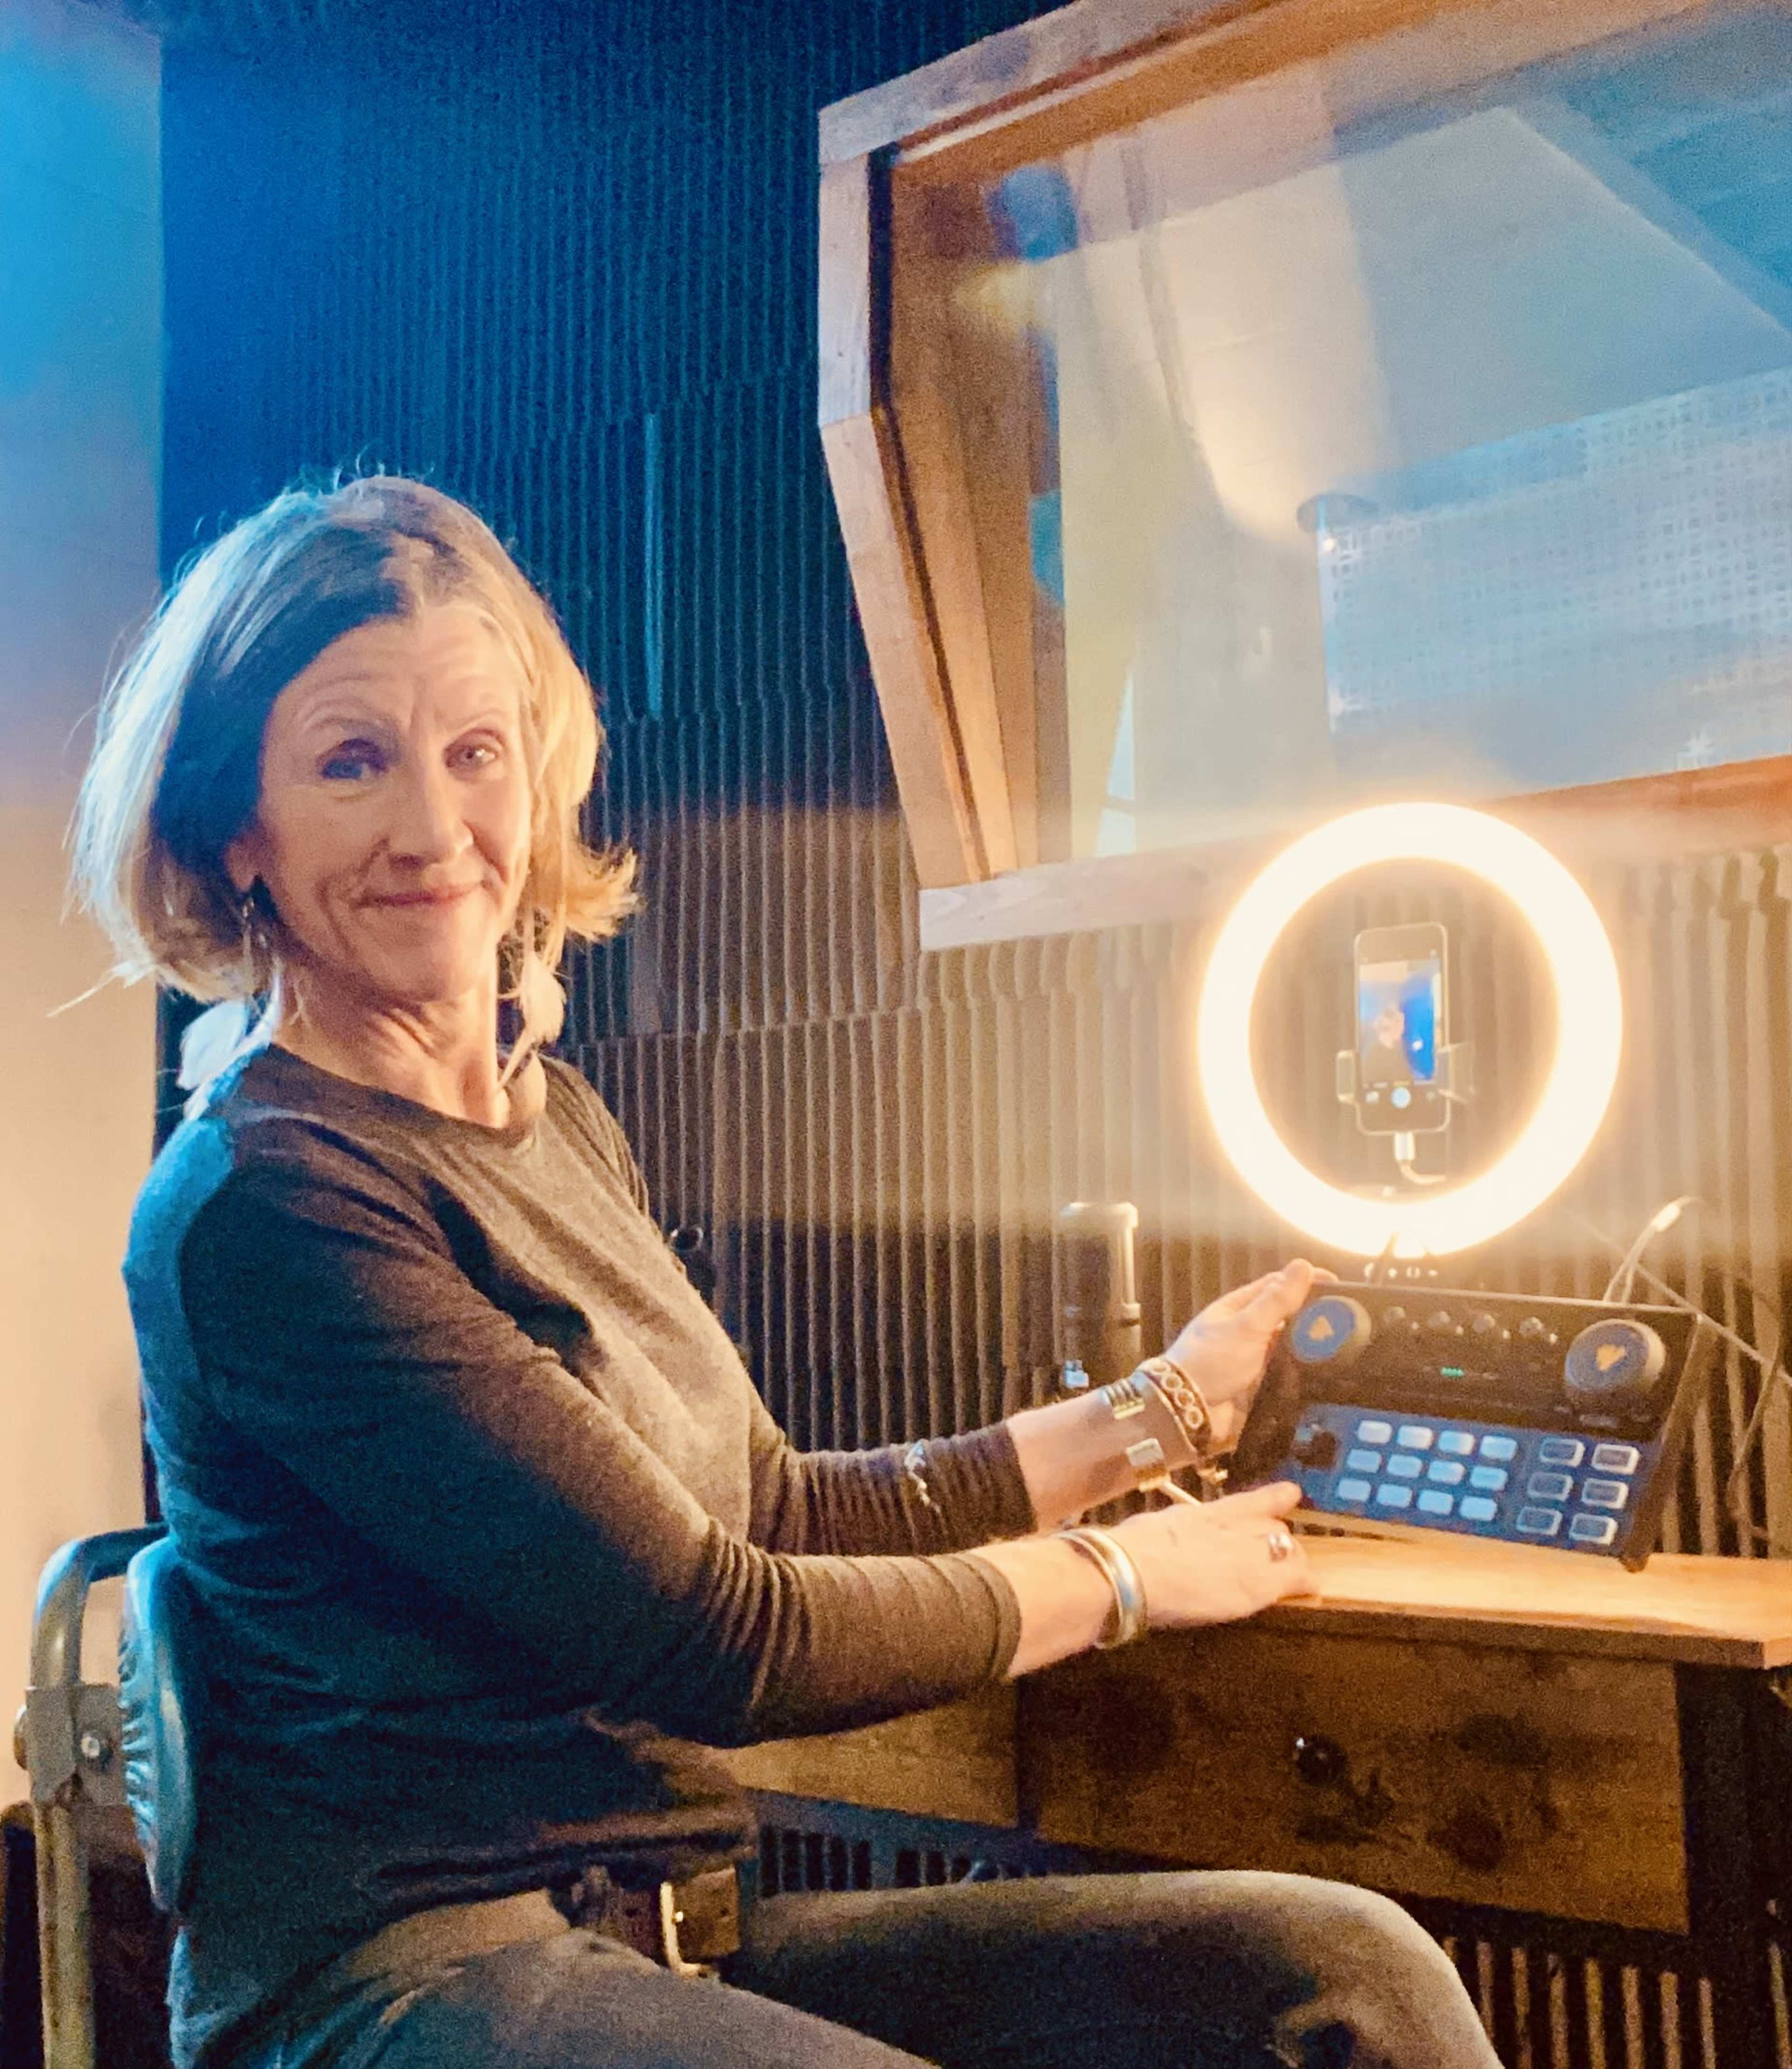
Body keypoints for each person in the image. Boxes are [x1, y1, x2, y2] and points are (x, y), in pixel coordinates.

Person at [71, 477, 1501, 2069]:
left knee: (1339, 1971)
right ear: (235, 830)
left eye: (476, 751)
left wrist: (1160, 1412)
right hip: (401, 1978)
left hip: (670, 1932)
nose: (433, 827)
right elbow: (716, 1634)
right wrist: (1124, 1578)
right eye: (353, 762)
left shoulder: (558, 1122)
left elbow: (770, 1508)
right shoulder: (267, 1200)